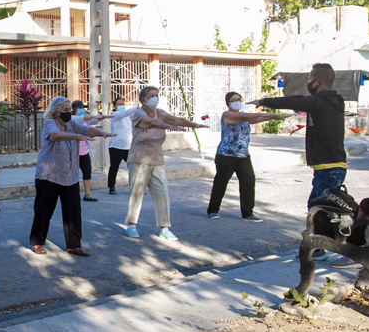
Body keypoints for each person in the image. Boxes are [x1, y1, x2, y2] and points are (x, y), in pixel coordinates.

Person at [248, 62, 346, 262]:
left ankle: (332, 248)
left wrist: (263, 100)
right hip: (328, 166)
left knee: (319, 208)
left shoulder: (320, 101)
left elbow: (295, 101)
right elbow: (299, 100)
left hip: (329, 166)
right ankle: (322, 248)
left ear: (317, 81)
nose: (308, 83)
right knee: (322, 208)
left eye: (310, 79)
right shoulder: (329, 100)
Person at [29, 97, 115, 256]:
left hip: (70, 175)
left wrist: (104, 133)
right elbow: (55, 136)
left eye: (70, 109)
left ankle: (74, 245)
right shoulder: (50, 123)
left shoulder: (71, 124)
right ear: (56, 112)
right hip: (49, 175)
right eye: (66, 110)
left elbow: (87, 130)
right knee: (44, 210)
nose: (69, 112)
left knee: (73, 212)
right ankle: (37, 242)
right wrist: (76, 137)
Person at [125, 86, 209, 240]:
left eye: (157, 95)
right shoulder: (138, 113)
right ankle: (131, 225)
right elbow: (150, 122)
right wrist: (169, 127)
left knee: (162, 193)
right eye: (152, 95)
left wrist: (193, 124)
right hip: (139, 160)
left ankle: (165, 228)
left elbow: (176, 120)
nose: (155, 98)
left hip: (157, 160)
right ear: (143, 99)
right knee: (137, 194)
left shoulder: (160, 113)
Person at [207, 92, 290, 221]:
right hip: (226, 155)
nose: (237, 101)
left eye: (239, 99)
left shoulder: (244, 118)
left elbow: (259, 119)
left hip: (243, 155)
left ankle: (247, 213)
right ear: (228, 103)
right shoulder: (228, 115)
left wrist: (275, 116)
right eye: (234, 100)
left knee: (248, 181)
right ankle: (213, 210)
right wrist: (262, 113)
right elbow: (245, 117)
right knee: (221, 183)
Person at [69, 100, 113, 202]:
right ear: (74, 109)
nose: (82, 110)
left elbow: (94, 121)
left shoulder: (85, 120)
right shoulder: (72, 119)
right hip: (73, 152)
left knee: (87, 173)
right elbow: (82, 118)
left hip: (84, 151)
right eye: (80, 108)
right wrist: (94, 116)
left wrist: (101, 117)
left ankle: (87, 194)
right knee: (72, 174)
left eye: (83, 108)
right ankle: (72, 195)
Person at [107, 96, 138, 195]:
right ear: (114, 106)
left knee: (133, 167)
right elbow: (124, 113)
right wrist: (135, 108)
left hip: (128, 146)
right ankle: (111, 187)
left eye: (123, 104)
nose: (122, 106)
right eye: (119, 104)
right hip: (116, 146)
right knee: (114, 167)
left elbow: (135, 116)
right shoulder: (115, 114)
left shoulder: (128, 117)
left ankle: (135, 187)